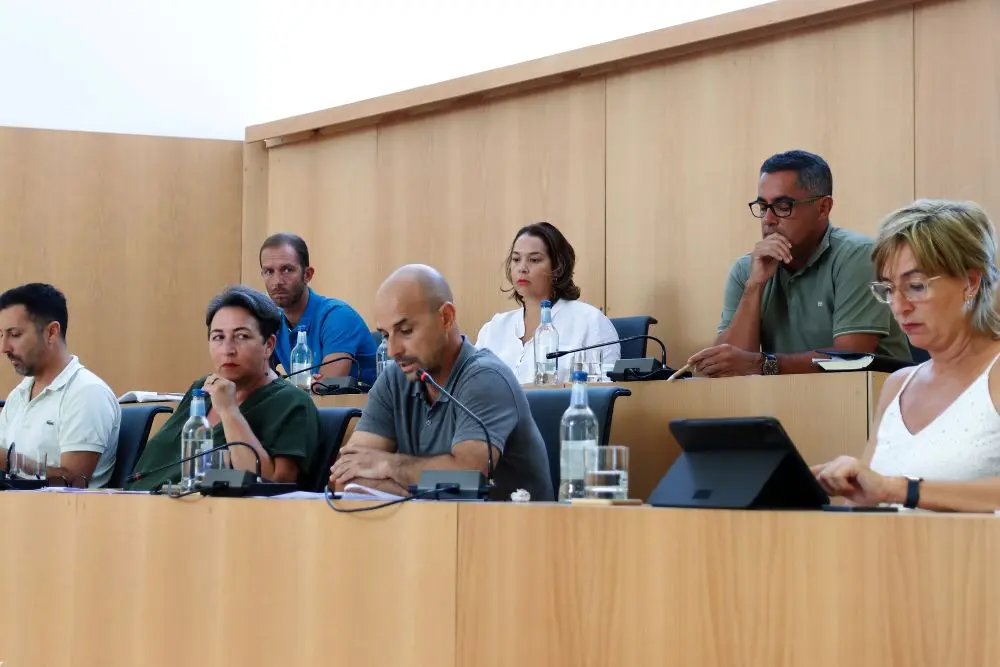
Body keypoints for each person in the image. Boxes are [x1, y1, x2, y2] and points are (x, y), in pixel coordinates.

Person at [811, 200, 1000, 512]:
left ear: (971, 282)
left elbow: (888, 490)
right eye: (888, 290)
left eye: (915, 286)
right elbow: (866, 506)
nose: (899, 306)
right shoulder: (898, 385)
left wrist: (898, 489)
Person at [329, 264, 554, 501]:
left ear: (446, 318)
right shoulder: (395, 379)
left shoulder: (485, 378)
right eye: (386, 336)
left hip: (511, 531)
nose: (393, 350)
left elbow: (468, 476)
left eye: (405, 330)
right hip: (432, 529)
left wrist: (389, 466)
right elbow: (344, 478)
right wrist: (425, 487)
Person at [688, 150, 910, 377]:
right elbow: (728, 366)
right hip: (785, 401)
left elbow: (852, 358)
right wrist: (755, 285)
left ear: (823, 208)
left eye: (783, 206)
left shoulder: (858, 256)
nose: (768, 219)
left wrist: (764, 364)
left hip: (868, 399)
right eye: (763, 206)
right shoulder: (747, 270)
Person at [128, 286, 320, 491]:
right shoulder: (201, 389)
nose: (228, 350)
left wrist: (229, 411)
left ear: (269, 345)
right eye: (218, 337)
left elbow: (275, 486)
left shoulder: (292, 402)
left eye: (242, 336)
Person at [0, 283, 120, 488]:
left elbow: (73, 481)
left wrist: (7, 460)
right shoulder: (18, 394)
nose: (4, 348)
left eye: (15, 334)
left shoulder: (87, 393)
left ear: (52, 332)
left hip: (62, 516)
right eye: (1, 335)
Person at [475, 222, 620, 384]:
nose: (522, 268)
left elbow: (607, 395)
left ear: (557, 268)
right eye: (516, 259)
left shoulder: (590, 322)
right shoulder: (493, 328)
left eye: (534, 260)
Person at [259, 232, 377, 386]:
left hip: (356, 408)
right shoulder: (272, 321)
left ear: (307, 275)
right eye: (269, 272)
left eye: (287, 270)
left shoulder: (338, 316)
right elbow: (256, 381)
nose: (277, 282)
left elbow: (324, 389)